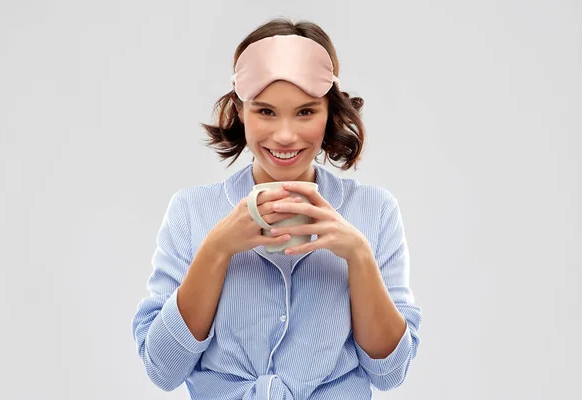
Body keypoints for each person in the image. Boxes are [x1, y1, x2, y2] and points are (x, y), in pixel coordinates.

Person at [132, 17, 422, 400]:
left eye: (305, 112)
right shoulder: (191, 211)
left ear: (329, 112)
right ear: (239, 109)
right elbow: (163, 369)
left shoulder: (374, 209)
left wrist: (358, 256)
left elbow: (389, 373)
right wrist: (217, 249)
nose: (285, 136)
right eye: (266, 111)